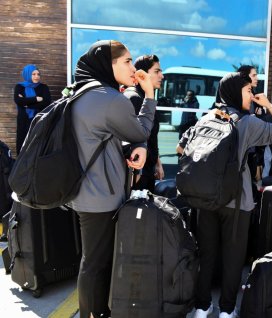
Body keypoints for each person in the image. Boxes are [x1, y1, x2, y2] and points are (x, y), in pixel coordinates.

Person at [192, 72, 272, 318]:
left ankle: (202, 308)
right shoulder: (246, 122)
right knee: (233, 258)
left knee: (206, 255)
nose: (251, 95)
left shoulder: (206, 117)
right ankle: (226, 310)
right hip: (237, 201)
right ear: (236, 92)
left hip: (204, 199)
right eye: (248, 90)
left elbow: (183, 147)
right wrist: (268, 105)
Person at [68, 40, 156, 318]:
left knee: (93, 260)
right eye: (127, 61)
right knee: (95, 263)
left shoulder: (82, 93)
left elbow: (102, 139)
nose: (132, 68)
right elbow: (140, 130)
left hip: (86, 191)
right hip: (100, 196)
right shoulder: (108, 98)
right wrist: (150, 94)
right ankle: (91, 313)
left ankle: (96, 311)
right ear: (110, 64)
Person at [123, 54, 165, 191]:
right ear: (143, 75)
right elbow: (133, 139)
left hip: (147, 170)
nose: (162, 76)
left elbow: (150, 136)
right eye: (157, 71)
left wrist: (158, 164)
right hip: (139, 174)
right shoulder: (135, 98)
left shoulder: (145, 97)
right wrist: (137, 175)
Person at [14, 64, 51, 154]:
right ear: (27, 74)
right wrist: (36, 99)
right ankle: (21, 166)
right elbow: (18, 101)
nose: (36, 76)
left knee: (37, 143)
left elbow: (46, 103)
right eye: (33, 74)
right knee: (22, 142)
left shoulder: (43, 87)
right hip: (24, 120)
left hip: (38, 119)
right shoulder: (19, 87)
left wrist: (28, 104)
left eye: (38, 74)